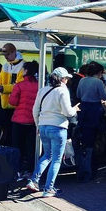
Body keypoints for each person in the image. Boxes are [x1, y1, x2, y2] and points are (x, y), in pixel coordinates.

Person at [25, 67, 80, 197]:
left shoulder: (43, 90)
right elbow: (67, 112)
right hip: (58, 127)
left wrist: (38, 125)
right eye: (66, 78)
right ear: (62, 79)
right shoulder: (63, 91)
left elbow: (35, 110)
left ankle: (34, 180)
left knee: (46, 156)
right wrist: (75, 109)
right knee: (56, 159)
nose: (67, 81)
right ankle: (49, 188)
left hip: (43, 126)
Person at [75, 61, 106, 183]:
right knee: (93, 141)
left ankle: (83, 168)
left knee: (84, 140)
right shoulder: (98, 82)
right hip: (95, 111)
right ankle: (90, 170)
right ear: (99, 73)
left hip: (84, 111)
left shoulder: (82, 81)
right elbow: (103, 97)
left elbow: (78, 94)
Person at [9, 60, 39, 177]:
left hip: (18, 121)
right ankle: (30, 170)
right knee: (31, 148)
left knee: (17, 148)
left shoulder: (19, 85)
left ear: (26, 71)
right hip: (33, 121)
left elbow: (12, 102)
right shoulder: (39, 86)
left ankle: (17, 171)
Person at [0, 43, 25, 145]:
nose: (6, 57)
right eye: (4, 55)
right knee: (7, 132)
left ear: (14, 52)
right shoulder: (6, 66)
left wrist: (1, 88)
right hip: (5, 106)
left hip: (16, 106)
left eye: (7, 54)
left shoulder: (23, 66)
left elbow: (19, 86)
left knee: (14, 135)